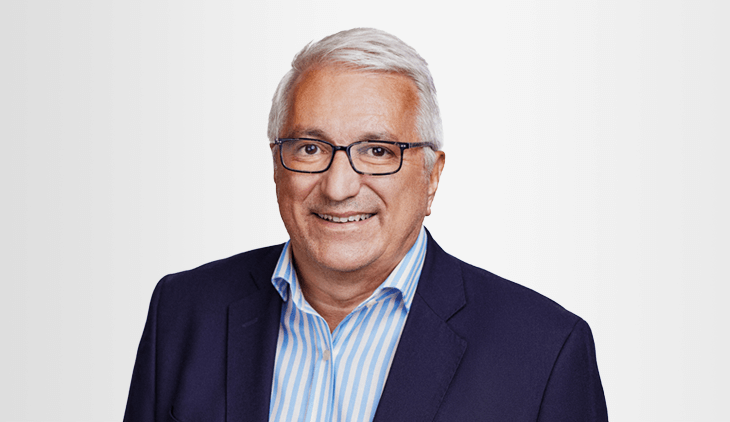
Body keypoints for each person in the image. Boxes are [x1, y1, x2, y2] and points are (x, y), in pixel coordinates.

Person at [124, 28, 607, 422]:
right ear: (276, 165)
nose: (338, 187)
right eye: (310, 148)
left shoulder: (546, 352)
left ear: (432, 177)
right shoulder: (183, 312)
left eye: (377, 151)